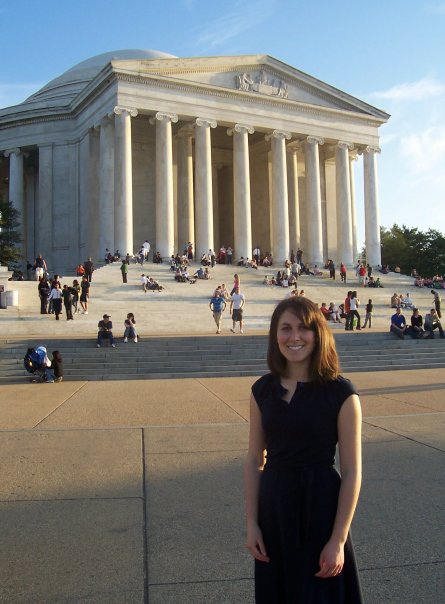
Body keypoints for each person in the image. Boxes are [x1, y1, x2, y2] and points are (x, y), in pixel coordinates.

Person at [244, 297, 363, 603]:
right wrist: (252, 523)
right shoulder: (262, 390)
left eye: (303, 328)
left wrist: (337, 539)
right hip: (274, 508)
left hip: (320, 507)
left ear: (318, 334)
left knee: (321, 594)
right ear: (275, 335)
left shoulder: (342, 394)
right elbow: (255, 459)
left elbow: (351, 471)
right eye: (285, 328)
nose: (294, 337)